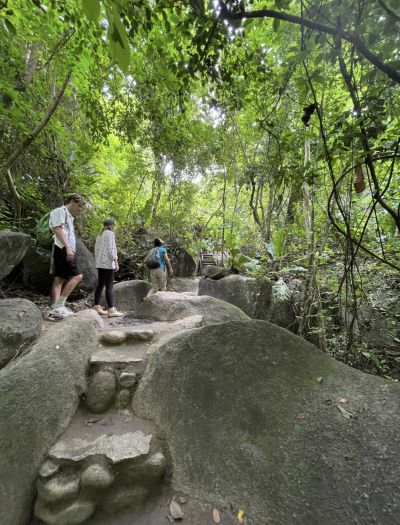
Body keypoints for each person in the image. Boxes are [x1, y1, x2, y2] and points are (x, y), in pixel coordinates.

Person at [47, 193, 85, 320]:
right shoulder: (59, 211)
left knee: (59, 279)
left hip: (64, 248)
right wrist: (68, 248)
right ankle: (59, 305)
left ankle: (55, 310)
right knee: (78, 276)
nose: (79, 209)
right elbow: (58, 229)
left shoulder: (69, 216)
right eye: (79, 206)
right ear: (72, 202)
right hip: (62, 248)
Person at [93, 218, 124, 317]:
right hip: (108, 264)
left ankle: (97, 306)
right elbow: (111, 248)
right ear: (111, 225)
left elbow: (96, 250)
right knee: (109, 286)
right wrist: (115, 261)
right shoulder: (110, 234)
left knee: (100, 285)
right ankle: (111, 309)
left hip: (100, 263)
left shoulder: (100, 234)